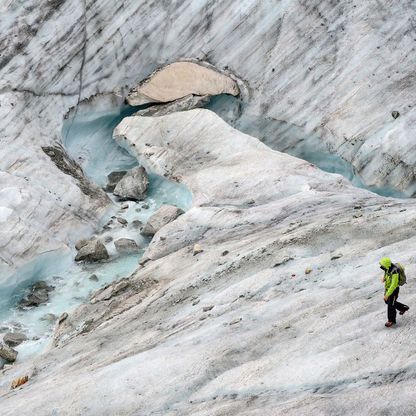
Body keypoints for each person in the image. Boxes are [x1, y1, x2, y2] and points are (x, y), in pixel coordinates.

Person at [380, 257, 409, 327]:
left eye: (383, 265)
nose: (382, 266)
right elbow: (386, 273)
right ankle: (403, 307)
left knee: (390, 305)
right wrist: (384, 278)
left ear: (386, 264)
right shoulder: (387, 268)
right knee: (387, 301)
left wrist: (387, 295)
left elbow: (394, 285)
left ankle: (391, 320)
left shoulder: (394, 272)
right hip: (387, 289)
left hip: (393, 290)